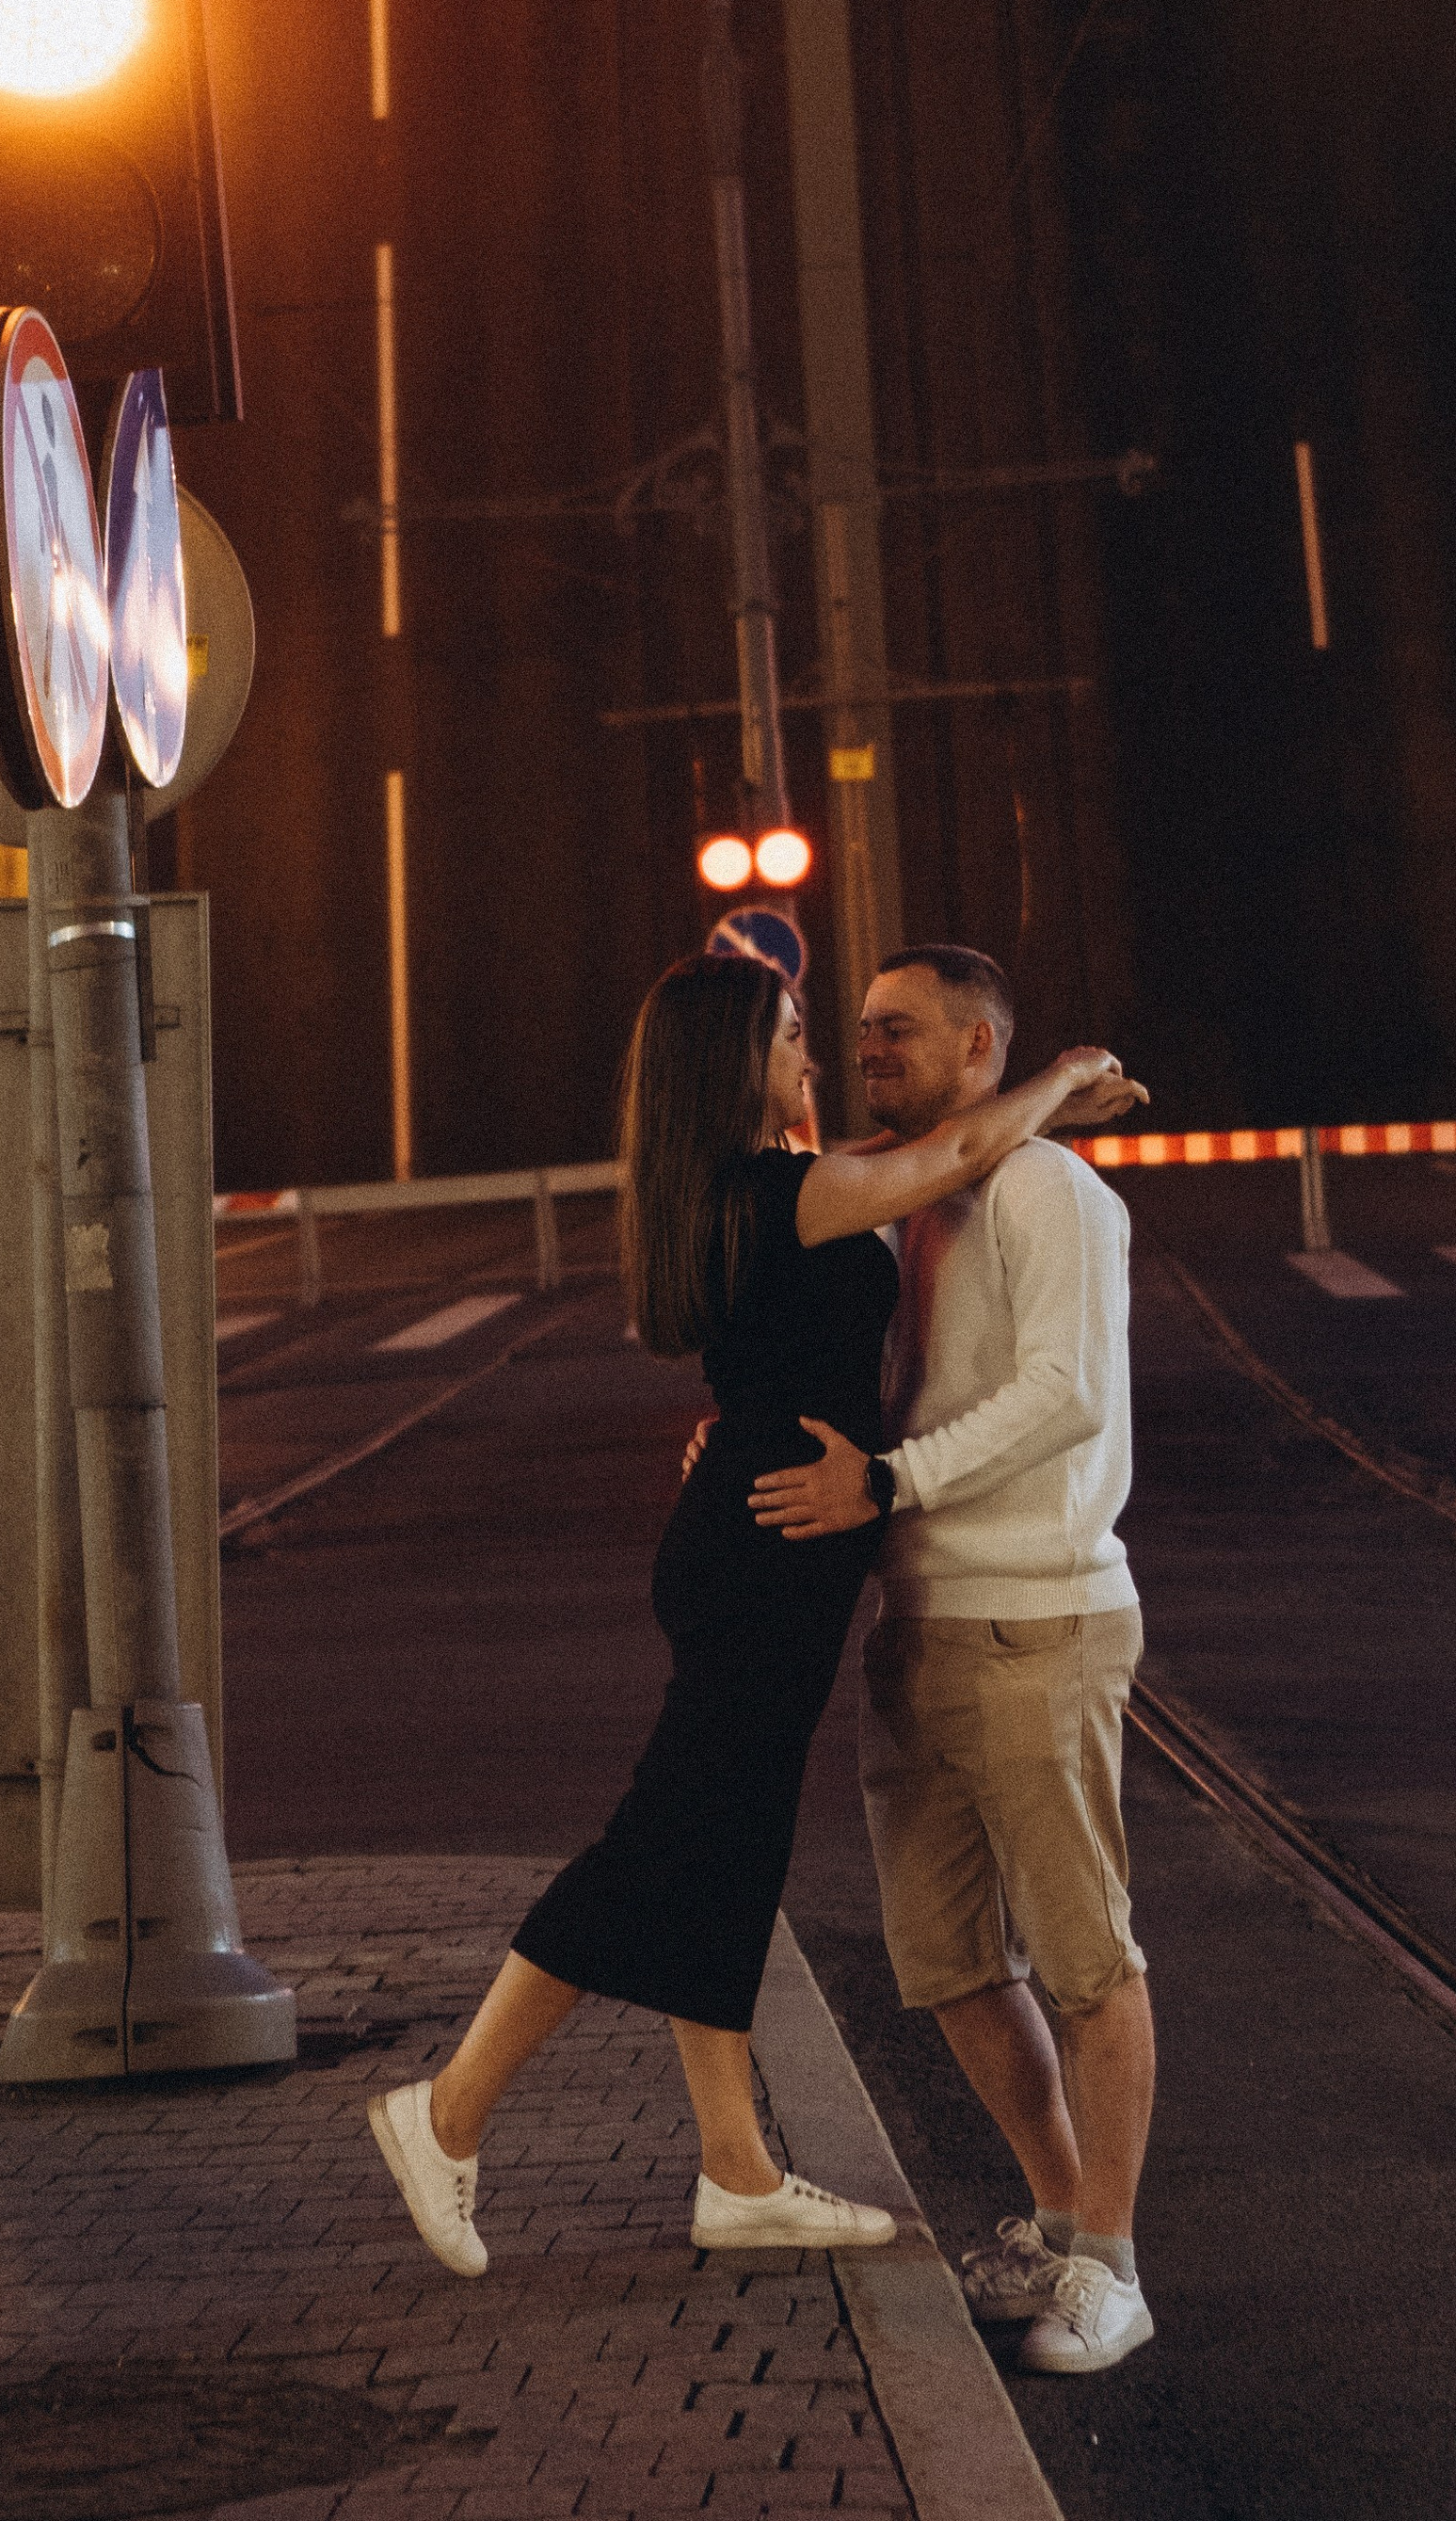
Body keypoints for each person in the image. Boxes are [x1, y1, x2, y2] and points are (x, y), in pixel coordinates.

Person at [365, 949, 1144, 2281]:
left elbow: (909, 1173)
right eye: (793, 1035)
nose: (817, 1056)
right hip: (768, 1553)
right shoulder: (783, 1192)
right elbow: (954, 1154)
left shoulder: (732, 1189)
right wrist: (1063, 1076)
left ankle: (736, 2170)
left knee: (728, 1847)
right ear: (736, 1063)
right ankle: (447, 2113)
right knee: (664, 1841)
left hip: (758, 1540)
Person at [747, 945, 1157, 2376]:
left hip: (1037, 1612)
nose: (868, 1049)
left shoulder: (1049, 1192)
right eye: (858, 1028)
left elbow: (1065, 1395)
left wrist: (891, 1482)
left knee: (1087, 1957)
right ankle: (1058, 2213)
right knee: (948, 1962)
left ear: (981, 1047)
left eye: (900, 1030)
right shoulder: (911, 1195)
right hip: (914, 1618)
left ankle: (1111, 2265)